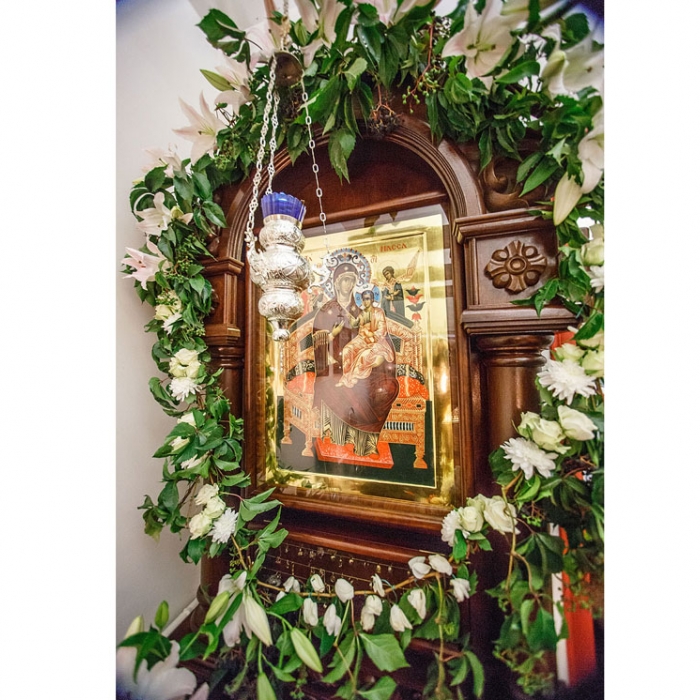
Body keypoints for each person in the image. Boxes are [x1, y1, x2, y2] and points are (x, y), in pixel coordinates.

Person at [311, 265, 399, 458]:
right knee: (342, 387)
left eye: (352, 280)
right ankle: (343, 440)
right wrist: (332, 335)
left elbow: (380, 336)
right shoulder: (326, 311)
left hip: (363, 363)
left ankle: (367, 443)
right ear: (336, 283)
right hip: (333, 366)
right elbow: (317, 342)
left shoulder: (361, 310)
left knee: (386, 387)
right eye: (345, 279)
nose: (348, 284)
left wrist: (381, 358)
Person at [337, 290, 395, 389]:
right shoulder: (362, 313)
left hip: (376, 341)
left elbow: (382, 329)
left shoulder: (378, 312)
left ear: (372, 299)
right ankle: (346, 378)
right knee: (347, 350)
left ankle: (354, 378)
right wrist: (350, 319)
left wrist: (372, 335)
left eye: (367, 299)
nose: (365, 301)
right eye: (363, 299)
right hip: (362, 339)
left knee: (364, 355)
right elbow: (357, 326)